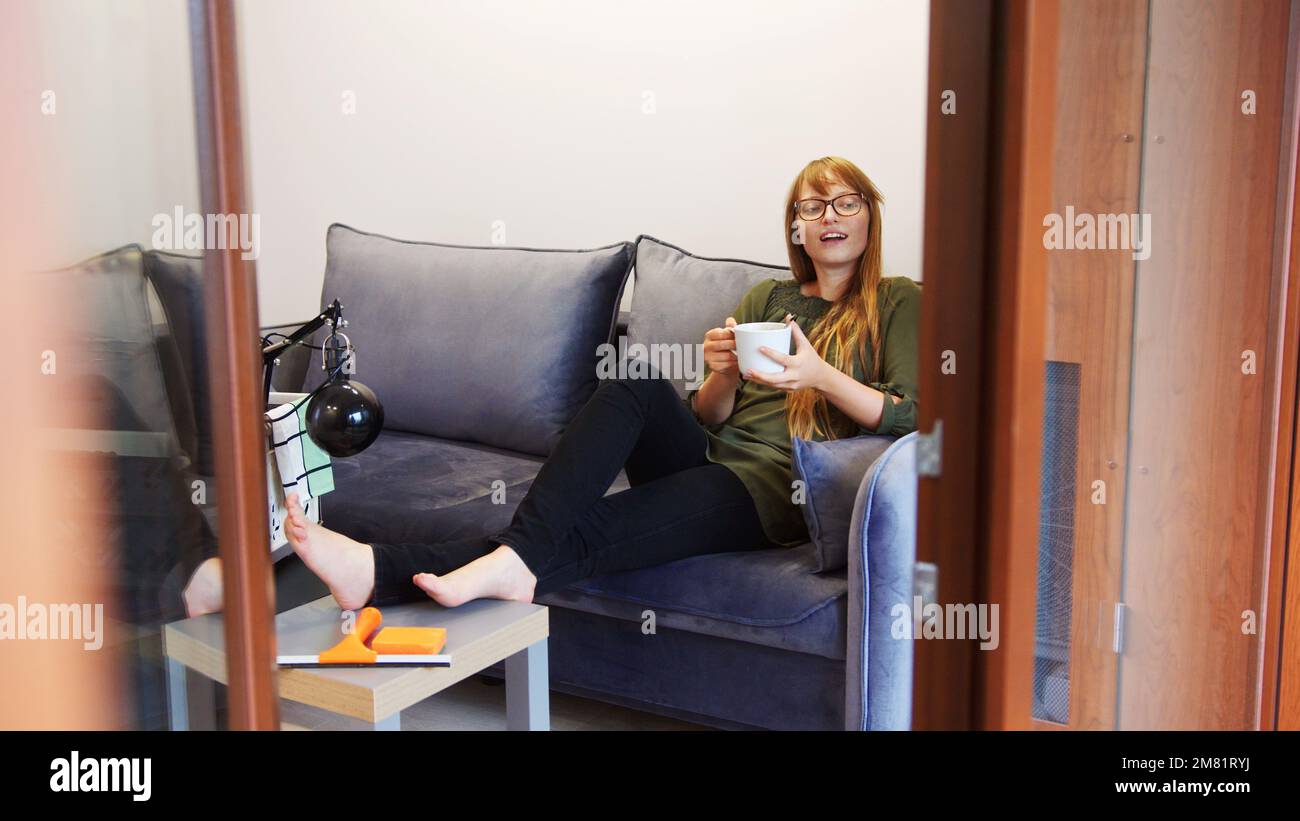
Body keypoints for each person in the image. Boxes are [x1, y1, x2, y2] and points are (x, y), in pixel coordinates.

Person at [188, 155, 921, 616]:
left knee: (592, 531)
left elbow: (910, 413)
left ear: (868, 216)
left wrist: (821, 375)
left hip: (776, 490)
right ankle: (506, 562)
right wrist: (722, 375)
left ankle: (388, 568)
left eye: (844, 202)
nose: (828, 217)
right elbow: (709, 414)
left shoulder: (898, 302)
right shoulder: (768, 300)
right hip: (711, 458)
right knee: (632, 377)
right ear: (793, 228)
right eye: (810, 206)